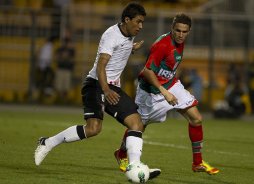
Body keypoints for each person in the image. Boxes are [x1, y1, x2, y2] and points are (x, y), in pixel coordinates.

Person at [34, 2, 160, 180]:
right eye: (138, 22)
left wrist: (131, 49)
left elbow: (119, 51)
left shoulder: (128, 34)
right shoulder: (111, 35)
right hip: (96, 84)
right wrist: (106, 90)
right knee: (93, 129)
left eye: (142, 22)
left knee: (136, 124)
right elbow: (101, 66)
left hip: (111, 87)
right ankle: (47, 143)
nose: (141, 26)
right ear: (127, 19)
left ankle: (135, 165)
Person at [114, 13, 219, 175]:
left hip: (171, 83)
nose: (181, 34)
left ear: (189, 31)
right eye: (178, 30)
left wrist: (170, 87)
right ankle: (121, 153)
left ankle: (197, 163)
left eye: (184, 32)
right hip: (150, 91)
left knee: (196, 119)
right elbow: (148, 71)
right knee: (138, 126)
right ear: (172, 28)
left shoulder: (180, 42)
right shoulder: (162, 45)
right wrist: (164, 92)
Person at [54, 37, 75, 103]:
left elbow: (73, 59)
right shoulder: (60, 49)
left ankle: (64, 100)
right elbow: (56, 57)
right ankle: (59, 99)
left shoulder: (72, 51)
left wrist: (66, 58)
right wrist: (62, 57)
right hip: (60, 69)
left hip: (67, 69)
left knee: (66, 86)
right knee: (59, 86)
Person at [36, 36, 56, 101]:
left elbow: (40, 54)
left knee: (45, 79)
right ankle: (47, 91)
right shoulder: (49, 46)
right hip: (45, 65)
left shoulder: (45, 46)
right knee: (49, 77)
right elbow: (47, 56)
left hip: (42, 65)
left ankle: (45, 91)